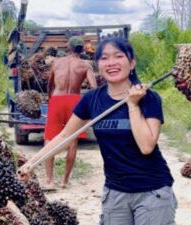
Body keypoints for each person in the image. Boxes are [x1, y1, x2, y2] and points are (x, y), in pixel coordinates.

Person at [19, 37, 177, 225]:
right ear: (97, 64)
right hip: (115, 193)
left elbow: (146, 146)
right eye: (104, 58)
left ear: (132, 62)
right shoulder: (92, 99)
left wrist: (133, 105)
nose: (111, 63)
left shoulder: (149, 98)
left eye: (118, 56)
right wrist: (31, 163)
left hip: (152, 191)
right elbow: (64, 136)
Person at [44, 36, 97, 189]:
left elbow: (49, 85)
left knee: (49, 138)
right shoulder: (85, 65)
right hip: (75, 101)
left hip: (57, 99)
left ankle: (49, 180)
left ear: (68, 47)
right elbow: (93, 88)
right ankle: (64, 181)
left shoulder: (57, 62)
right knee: (72, 140)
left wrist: (50, 99)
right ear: (81, 49)